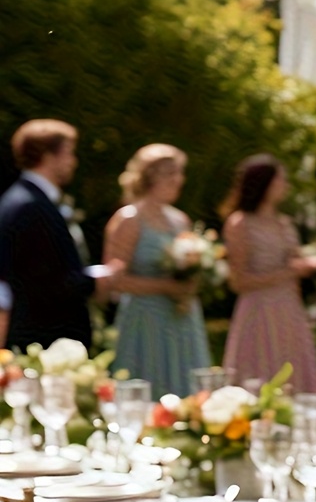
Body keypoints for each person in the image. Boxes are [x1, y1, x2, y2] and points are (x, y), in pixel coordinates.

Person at [0, 120, 120, 351]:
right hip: (42, 338)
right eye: (68, 153)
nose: (73, 162)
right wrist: (94, 282)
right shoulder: (30, 206)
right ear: (48, 156)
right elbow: (42, 281)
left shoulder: (25, 199)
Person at [105, 143, 211, 398]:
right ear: (151, 176)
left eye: (180, 172)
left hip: (181, 315)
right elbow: (113, 279)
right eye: (172, 173)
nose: (179, 180)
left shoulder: (180, 220)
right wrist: (165, 287)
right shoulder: (129, 219)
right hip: (145, 318)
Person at [221, 154, 316, 393]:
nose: (285, 186)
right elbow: (239, 281)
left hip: (289, 310)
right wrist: (288, 273)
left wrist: (304, 268)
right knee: (258, 373)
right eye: (280, 180)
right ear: (263, 183)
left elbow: (294, 265)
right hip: (257, 311)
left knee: (293, 371)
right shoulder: (240, 223)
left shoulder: (284, 223)